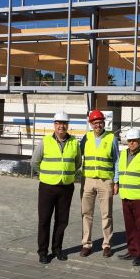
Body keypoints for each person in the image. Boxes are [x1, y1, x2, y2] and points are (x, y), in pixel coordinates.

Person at [30, 111, 82, 264]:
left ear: (68, 125)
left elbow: (78, 162)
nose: (61, 126)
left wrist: (66, 173)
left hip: (66, 187)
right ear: (54, 125)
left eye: (64, 123)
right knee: (44, 220)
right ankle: (43, 251)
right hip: (47, 187)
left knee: (62, 220)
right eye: (58, 123)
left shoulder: (74, 142)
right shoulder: (45, 141)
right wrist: (45, 174)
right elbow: (34, 162)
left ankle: (57, 249)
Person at [79, 110, 120, 257]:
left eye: (100, 122)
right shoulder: (86, 138)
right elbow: (78, 155)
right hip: (88, 180)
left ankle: (107, 244)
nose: (98, 125)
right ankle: (86, 244)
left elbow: (117, 161)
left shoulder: (111, 138)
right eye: (95, 123)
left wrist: (116, 181)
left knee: (106, 214)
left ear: (104, 122)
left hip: (105, 181)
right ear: (91, 124)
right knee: (86, 213)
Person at [117, 128, 140, 266]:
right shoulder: (123, 154)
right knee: (129, 226)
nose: (132, 143)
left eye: (134, 140)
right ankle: (132, 250)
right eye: (129, 141)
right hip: (126, 196)